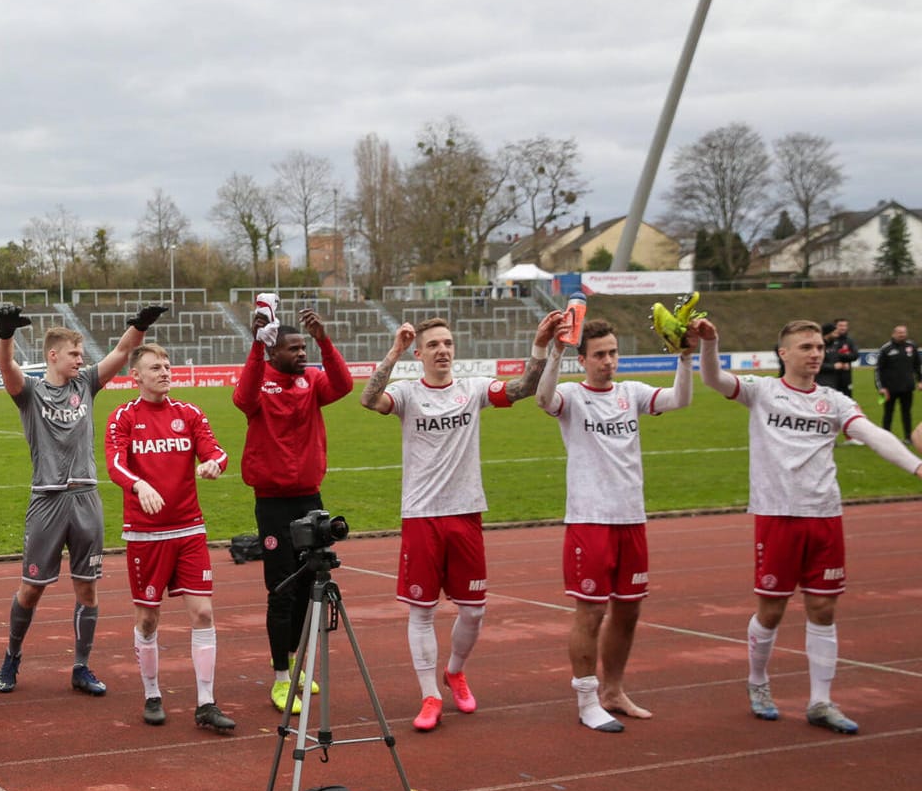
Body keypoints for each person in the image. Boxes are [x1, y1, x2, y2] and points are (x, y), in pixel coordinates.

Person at [696, 318, 922, 735]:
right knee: (772, 609)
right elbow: (712, 377)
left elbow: (872, 434)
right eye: (806, 347)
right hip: (778, 516)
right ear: (784, 353)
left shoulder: (834, 401)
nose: (816, 353)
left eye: (819, 346)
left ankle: (821, 701)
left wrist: (917, 466)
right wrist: (710, 343)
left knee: (823, 607)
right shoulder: (762, 391)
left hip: (825, 515)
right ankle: (758, 683)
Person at [359, 312, 559, 731]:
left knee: (474, 611)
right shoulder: (408, 394)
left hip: (466, 513)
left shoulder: (473, 390)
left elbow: (523, 389)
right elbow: (369, 399)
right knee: (422, 611)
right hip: (421, 516)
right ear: (420, 354)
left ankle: (455, 671)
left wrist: (539, 345)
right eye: (433, 345)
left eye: (447, 343)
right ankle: (429, 695)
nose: (443, 350)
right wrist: (394, 351)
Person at [536, 317, 699, 732]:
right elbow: (543, 397)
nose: (608, 361)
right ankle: (587, 699)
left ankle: (614, 690)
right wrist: (554, 350)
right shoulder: (571, 396)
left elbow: (680, 400)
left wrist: (684, 356)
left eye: (612, 353)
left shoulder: (632, 393)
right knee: (589, 613)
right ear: (583, 360)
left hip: (631, 518)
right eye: (599, 355)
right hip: (590, 520)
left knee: (628, 612)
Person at [0, 304, 161, 695]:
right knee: (31, 589)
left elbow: (121, 352)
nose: (80, 360)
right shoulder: (30, 391)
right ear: (53, 355)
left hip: (86, 498)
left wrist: (139, 325)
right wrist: (5, 332)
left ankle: (81, 666)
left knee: (88, 588)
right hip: (48, 500)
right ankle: (12, 655)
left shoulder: (85, 383)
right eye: (74, 354)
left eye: (81, 355)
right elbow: (7, 366)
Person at [232, 295, 354, 713]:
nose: (302, 354)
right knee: (280, 589)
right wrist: (255, 345)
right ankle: (281, 679)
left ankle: (293, 661)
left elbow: (343, 386)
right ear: (274, 351)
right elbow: (242, 399)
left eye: (305, 348)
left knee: (307, 584)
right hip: (272, 504)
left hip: (310, 499)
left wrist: (325, 342)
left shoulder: (313, 380)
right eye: (295, 348)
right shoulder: (260, 381)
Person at [107, 342, 233, 731]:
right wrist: (138, 486)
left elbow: (218, 452)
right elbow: (114, 463)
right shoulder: (124, 416)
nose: (164, 371)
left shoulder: (189, 412)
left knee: (203, 612)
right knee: (147, 620)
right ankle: (152, 693)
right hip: (146, 535)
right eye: (154, 367)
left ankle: (206, 703)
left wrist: (213, 464)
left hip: (190, 528)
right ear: (136, 376)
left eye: (166, 365)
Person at [874, 324, 918, 435]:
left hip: (907, 387)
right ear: (893, 334)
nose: (902, 335)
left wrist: (920, 380)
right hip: (890, 389)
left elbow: (917, 365)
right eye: (899, 333)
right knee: (888, 413)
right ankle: (886, 437)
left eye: (904, 332)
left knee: (907, 413)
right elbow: (878, 370)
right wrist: (881, 387)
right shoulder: (886, 349)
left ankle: (908, 437)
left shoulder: (912, 347)